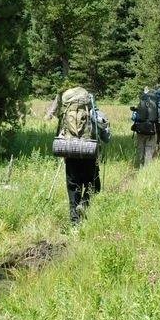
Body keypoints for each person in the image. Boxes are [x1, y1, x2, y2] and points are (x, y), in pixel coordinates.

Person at [52, 87, 106, 224]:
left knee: (73, 186)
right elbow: (104, 133)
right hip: (89, 152)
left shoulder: (66, 113)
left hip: (70, 152)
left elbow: (60, 133)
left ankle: (74, 222)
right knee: (93, 184)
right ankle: (85, 203)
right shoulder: (91, 110)